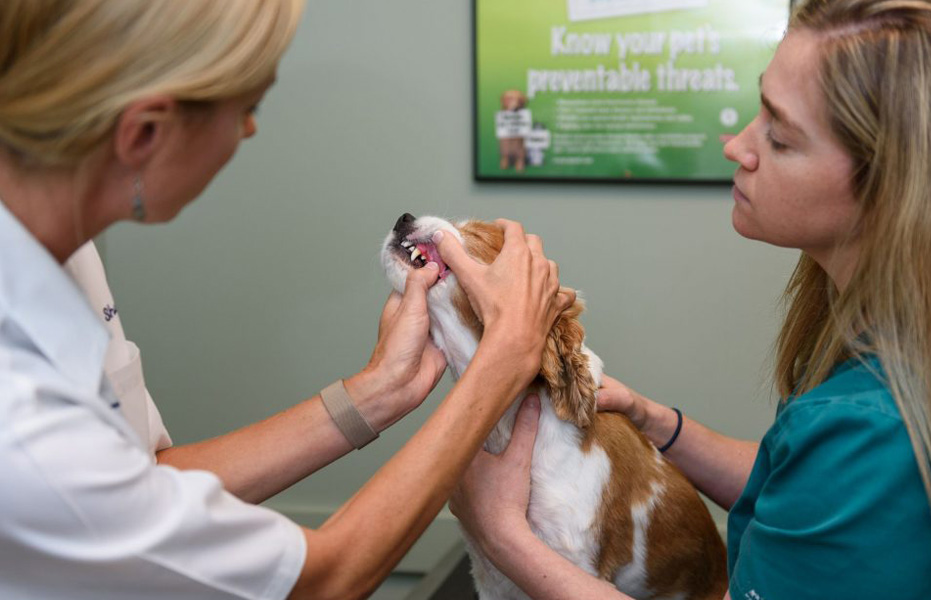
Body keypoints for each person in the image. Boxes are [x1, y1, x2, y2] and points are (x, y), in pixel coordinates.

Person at [0, 2, 574, 599]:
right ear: (144, 132)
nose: (250, 131)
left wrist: (380, 390)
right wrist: (501, 361)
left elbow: (142, 482)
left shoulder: (62, 248)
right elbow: (325, 580)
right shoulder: (16, 408)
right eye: (247, 108)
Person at [450, 0, 931, 598]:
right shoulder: (889, 354)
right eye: (757, 109)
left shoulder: (870, 433)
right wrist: (656, 423)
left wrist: (503, 534)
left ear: (897, 189)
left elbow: (841, 477)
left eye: (781, 137)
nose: (737, 145)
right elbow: (801, 487)